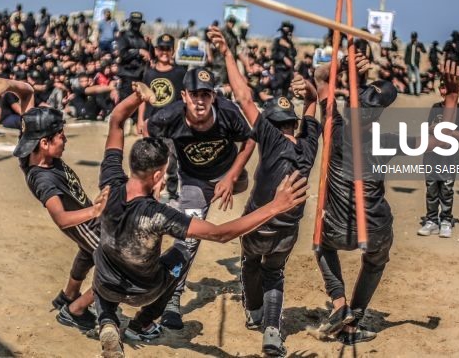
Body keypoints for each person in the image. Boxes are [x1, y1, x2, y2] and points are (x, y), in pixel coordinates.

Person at [93, 82, 309, 357]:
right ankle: (143, 322)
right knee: (184, 250)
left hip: (106, 284)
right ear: (159, 177)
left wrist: (138, 97)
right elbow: (221, 233)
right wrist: (275, 206)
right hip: (143, 292)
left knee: (101, 261)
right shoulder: (160, 215)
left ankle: (107, 321)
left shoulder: (110, 181)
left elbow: (116, 121)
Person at [314, 58, 459, 345]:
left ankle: (338, 303)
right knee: (375, 261)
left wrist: (343, 64)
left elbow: (320, 77)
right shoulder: (386, 140)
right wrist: (452, 97)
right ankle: (352, 320)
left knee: (321, 245)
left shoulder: (334, 129)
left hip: (337, 227)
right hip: (374, 229)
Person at [209, 27, 320, 356]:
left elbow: (243, 97)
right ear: (294, 124)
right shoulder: (309, 145)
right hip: (288, 230)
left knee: (249, 264)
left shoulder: (270, 140)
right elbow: (314, 104)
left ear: (272, 125)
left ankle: (254, 313)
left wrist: (228, 54)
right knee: (274, 272)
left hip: (259, 222)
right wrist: (310, 91)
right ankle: (272, 329)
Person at [0, 75, 108, 331]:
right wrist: (95, 210)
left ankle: (67, 296)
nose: (66, 140)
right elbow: (60, 218)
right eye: (61, 136)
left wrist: (9, 86)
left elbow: (26, 95)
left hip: (87, 218)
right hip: (85, 224)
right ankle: (75, 309)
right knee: (119, 267)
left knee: (87, 253)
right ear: (45, 143)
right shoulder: (44, 179)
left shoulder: (31, 146)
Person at [145, 67, 256, 330]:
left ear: (213, 97)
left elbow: (250, 140)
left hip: (230, 174)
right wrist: (157, 176)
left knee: (255, 193)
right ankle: (173, 298)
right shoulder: (169, 117)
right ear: (184, 96)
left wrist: (231, 176)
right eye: (195, 94)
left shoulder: (227, 112)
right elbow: (150, 135)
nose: (200, 101)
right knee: (189, 237)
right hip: (194, 179)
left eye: (206, 95)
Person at [137, 33, 186, 202]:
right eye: (161, 48)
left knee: (171, 160)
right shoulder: (149, 73)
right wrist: (140, 120)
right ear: (156, 50)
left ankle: (170, 193)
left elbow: (183, 100)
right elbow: (142, 98)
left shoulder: (180, 73)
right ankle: (149, 193)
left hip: (172, 126)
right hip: (152, 124)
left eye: (168, 49)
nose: (164, 52)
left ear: (173, 51)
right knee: (151, 159)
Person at [418, 77, 459, 238]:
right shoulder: (434, 107)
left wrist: (445, 131)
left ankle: (446, 220)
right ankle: (432, 220)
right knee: (431, 189)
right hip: (432, 156)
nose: (443, 90)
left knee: (446, 189)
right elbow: (428, 127)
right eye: (441, 87)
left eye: (446, 87)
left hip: (449, 158)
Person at [115, 11, 150, 110]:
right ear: (130, 23)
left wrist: (149, 45)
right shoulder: (123, 36)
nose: (136, 26)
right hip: (128, 74)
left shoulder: (142, 37)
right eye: (134, 23)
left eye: (138, 23)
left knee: (138, 104)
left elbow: (149, 54)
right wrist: (139, 51)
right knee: (126, 105)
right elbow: (123, 54)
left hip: (141, 74)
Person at [270, 21, 297, 97]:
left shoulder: (290, 43)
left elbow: (294, 54)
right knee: (278, 89)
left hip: (288, 71)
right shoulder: (277, 41)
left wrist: (289, 46)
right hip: (280, 69)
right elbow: (273, 54)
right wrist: (283, 58)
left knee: (286, 90)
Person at [404, 31, 426, 96]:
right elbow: (406, 55)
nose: (413, 38)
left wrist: (420, 50)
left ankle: (418, 92)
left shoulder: (420, 44)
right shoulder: (408, 45)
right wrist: (406, 63)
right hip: (409, 64)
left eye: (414, 37)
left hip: (416, 64)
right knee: (410, 78)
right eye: (412, 37)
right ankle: (412, 92)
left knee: (418, 78)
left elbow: (425, 51)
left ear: (416, 37)